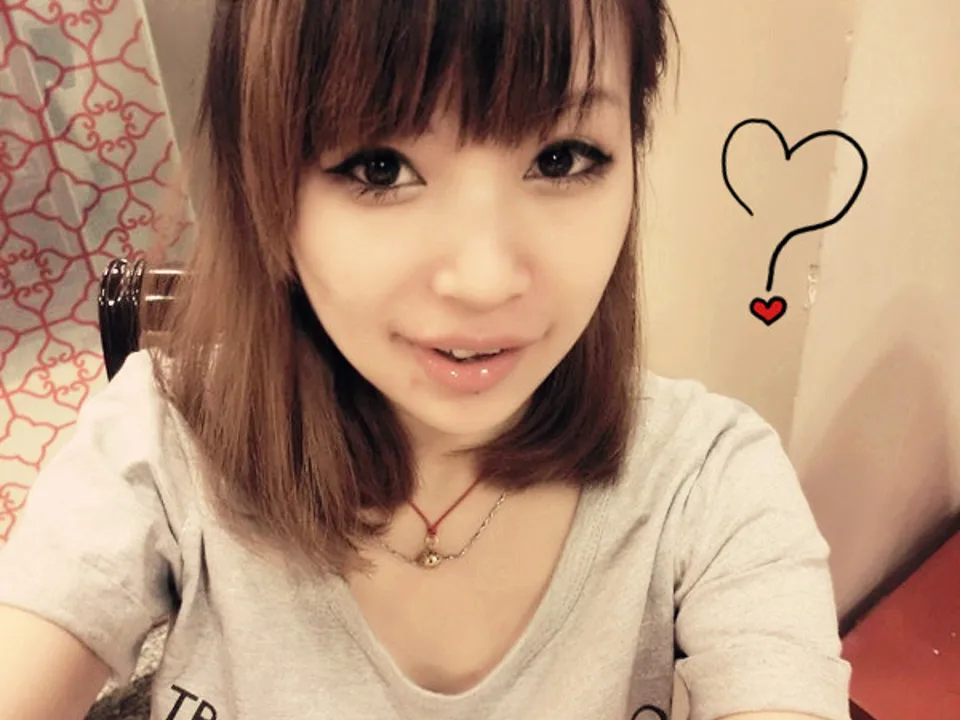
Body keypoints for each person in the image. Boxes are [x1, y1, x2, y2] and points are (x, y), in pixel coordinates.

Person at [0, 0, 852, 718]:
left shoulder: (711, 484)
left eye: (561, 158)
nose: (484, 280)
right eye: (380, 168)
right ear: (265, 187)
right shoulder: (164, 441)